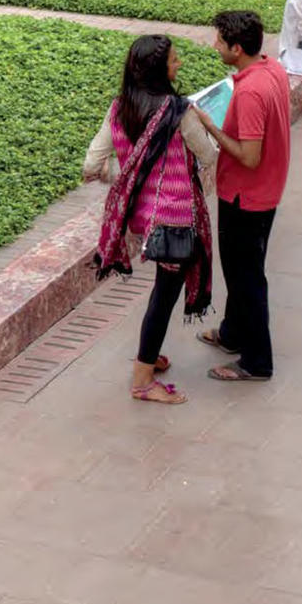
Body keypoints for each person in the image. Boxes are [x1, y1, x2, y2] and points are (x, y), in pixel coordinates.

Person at [85, 35, 216, 406]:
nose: (180, 65)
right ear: (160, 69)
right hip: (174, 218)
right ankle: (143, 379)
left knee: (161, 291)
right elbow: (207, 156)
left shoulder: (120, 108)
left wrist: (131, 175)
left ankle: (150, 355)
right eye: (175, 60)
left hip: (143, 218)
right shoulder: (180, 111)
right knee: (164, 296)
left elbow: (91, 166)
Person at [194, 10, 292, 383]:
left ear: (237, 48)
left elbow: (249, 156)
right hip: (264, 190)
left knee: (246, 277)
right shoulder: (270, 69)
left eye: (219, 41)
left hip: (245, 196)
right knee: (238, 271)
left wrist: (210, 126)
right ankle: (233, 333)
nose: (214, 45)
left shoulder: (250, 92)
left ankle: (256, 361)